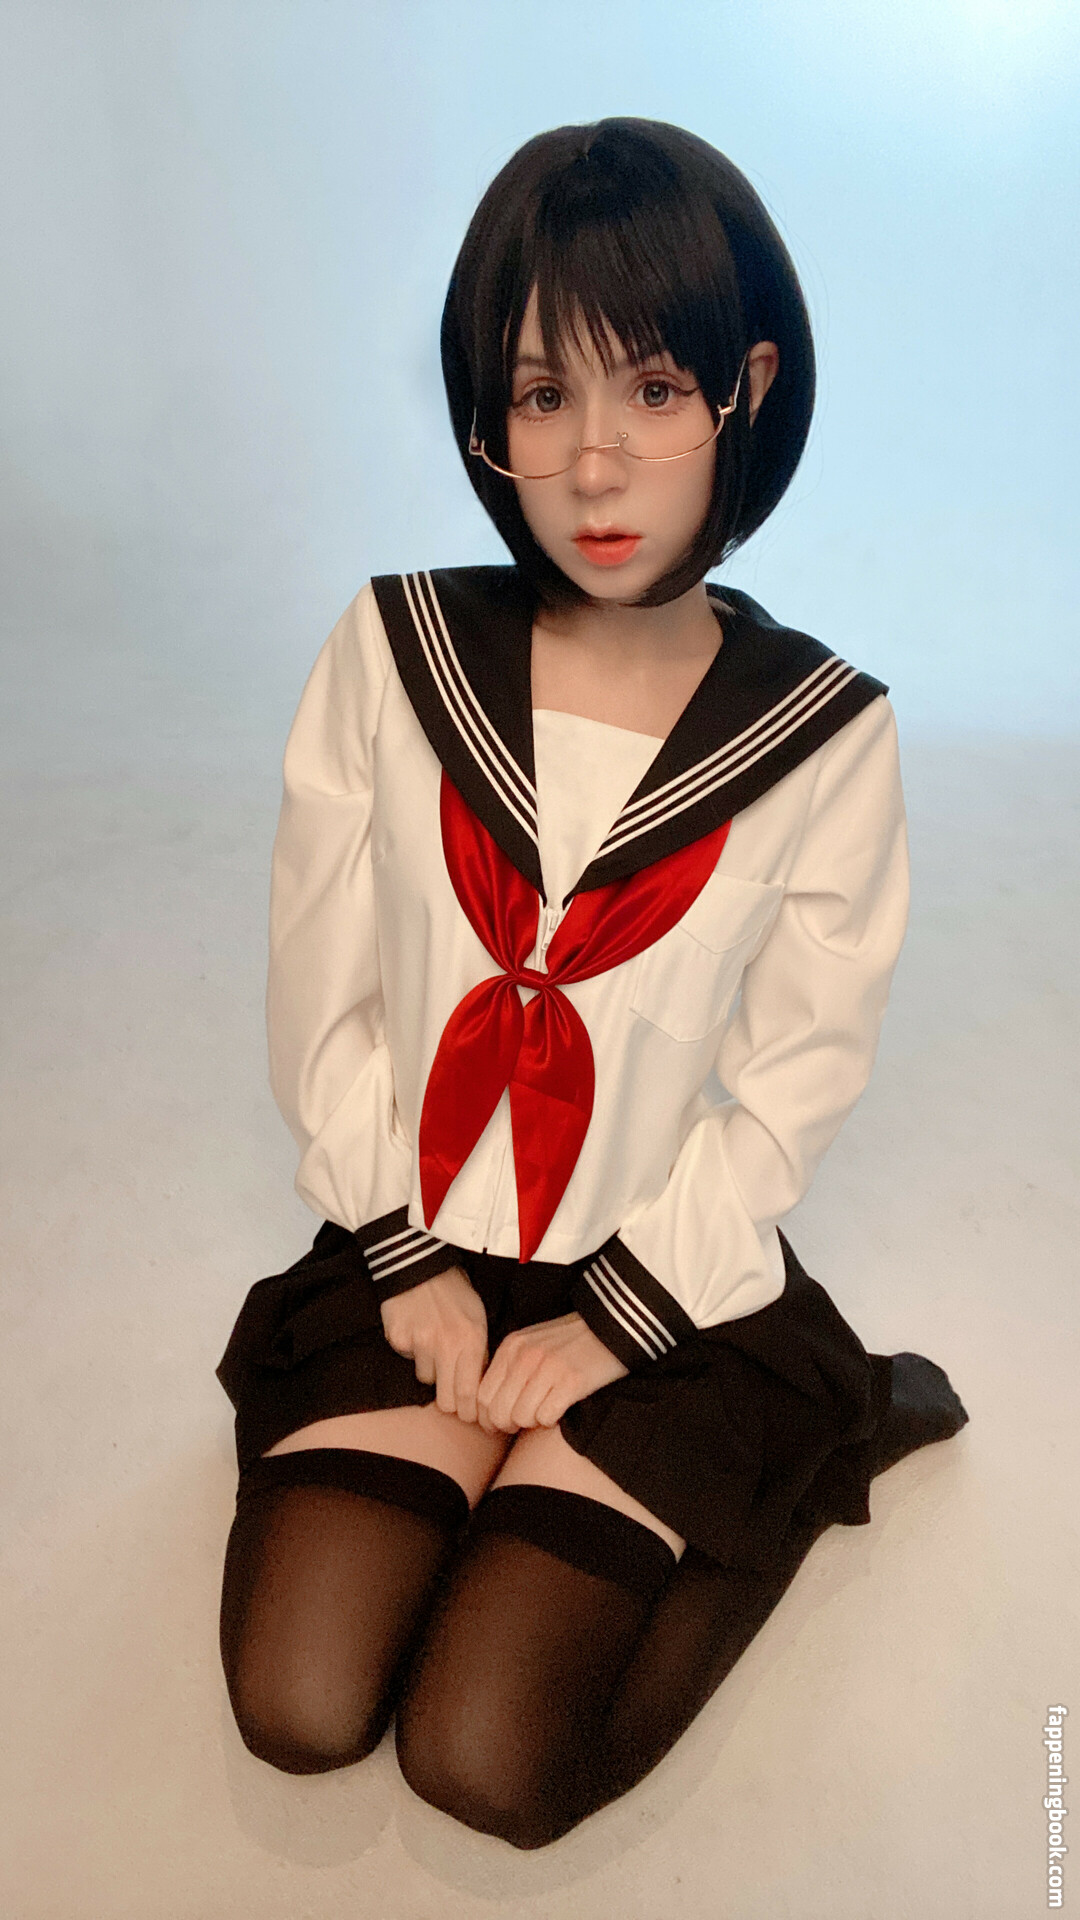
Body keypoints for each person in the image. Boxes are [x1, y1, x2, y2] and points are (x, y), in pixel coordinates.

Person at [214, 117, 968, 1850]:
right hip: (416, 1244)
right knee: (303, 1706)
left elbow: (791, 1086)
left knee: (484, 1756)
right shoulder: (392, 653)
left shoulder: (824, 738)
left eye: (657, 389)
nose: (598, 465)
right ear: (489, 416)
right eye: (545, 396)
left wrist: (609, 1326)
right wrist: (406, 1264)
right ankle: (479, 1450)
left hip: (664, 1286)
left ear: (748, 390)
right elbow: (320, 989)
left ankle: (790, 1459)